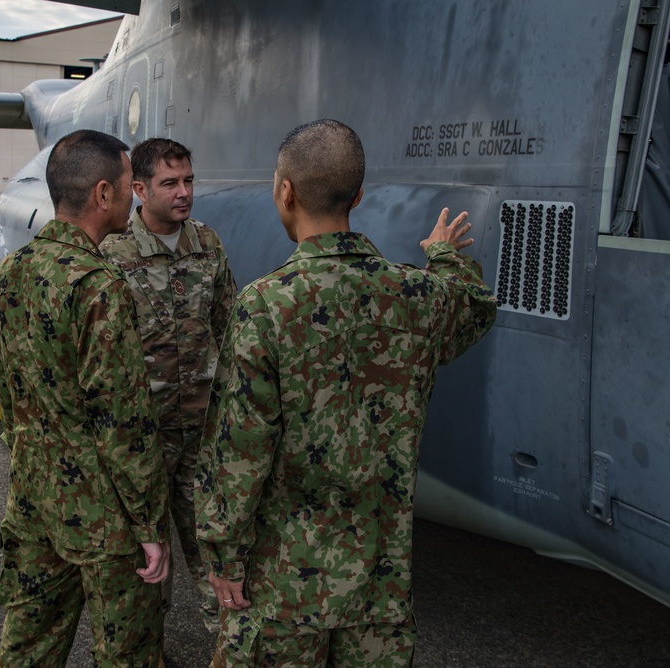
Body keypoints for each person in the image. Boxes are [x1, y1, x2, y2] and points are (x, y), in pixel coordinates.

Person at [194, 119, 498, 667]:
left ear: (285, 191)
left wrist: (223, 557)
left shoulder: (266, 305)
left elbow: (238, 453)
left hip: (284, 588)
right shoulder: (418, 296)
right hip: (380, 586)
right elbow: (474, 306)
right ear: (358, 195)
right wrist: (444, 257)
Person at [0, 129, 171, 668]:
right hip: (104, 515)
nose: (133, 197)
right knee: (127, 652)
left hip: (33, 496)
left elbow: (5, 387)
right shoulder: (97, 286)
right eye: (125, 185)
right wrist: (148, 527)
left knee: (29, 643)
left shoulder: (12, 272)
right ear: (103, 195)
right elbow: (123, 422)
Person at [100, 137, 236, 633]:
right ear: (138, 189)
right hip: (144, 441)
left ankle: (227, 650)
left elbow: (229, 327)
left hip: (201, 430)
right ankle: (145, 650)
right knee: (145, 562)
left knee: (213, 553)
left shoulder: (207, 244)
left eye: (189, 181)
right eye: (170, 183)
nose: (184, 193)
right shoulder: (113, 255)